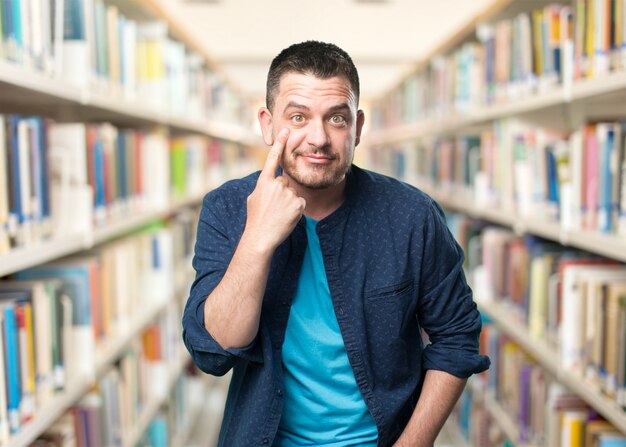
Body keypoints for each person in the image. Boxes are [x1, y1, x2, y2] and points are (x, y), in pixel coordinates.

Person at [182, 40, 490, 447]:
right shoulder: (228, 208)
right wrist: (257, 238)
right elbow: (214, 353)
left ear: (358, 127)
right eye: (297, 116)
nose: (319, 138)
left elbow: (457, 336)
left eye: (337, 119)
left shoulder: (411, 215)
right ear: (267, 123)